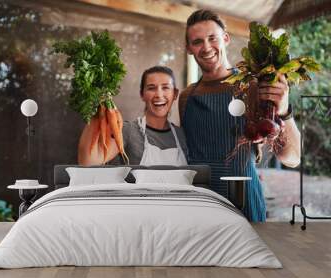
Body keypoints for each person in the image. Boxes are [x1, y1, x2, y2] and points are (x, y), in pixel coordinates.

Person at [179, 10, 301, 222]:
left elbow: (292, 159)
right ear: (189, 48)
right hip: (200, 203)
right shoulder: (186, 97)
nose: (206, 47)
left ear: (225, 38)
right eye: (197, 41)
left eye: (212, 38)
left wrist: (283, 111)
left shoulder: (253, 88)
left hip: (243, 200)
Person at [78, 66, 188, 166]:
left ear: (175, 94)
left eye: (165, 88)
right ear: (142, 94)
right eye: (151, 88)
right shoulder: (128, 131)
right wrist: (97, 107)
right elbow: (88, 162)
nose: (159, 95)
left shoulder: (182, 135)